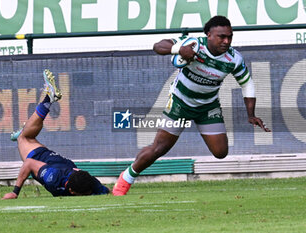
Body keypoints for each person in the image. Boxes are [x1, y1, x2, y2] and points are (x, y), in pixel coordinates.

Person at [112, 15, 270, 196]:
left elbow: (247, 83)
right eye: (221, 36)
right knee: (159, 148)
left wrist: (251, 114)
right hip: (181, 103)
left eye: (229, 37)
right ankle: (127, 178)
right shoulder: (194, 44)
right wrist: (178, 49)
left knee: (220, 152)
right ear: (209, 35)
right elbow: (158, 46)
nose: (226, 41)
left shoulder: (234, 59)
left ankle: (127, 176)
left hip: (207, 106)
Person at [2, 69, 110, 199]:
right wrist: (15, 192)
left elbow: (107, 191)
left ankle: (26, 127)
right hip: (40, 158)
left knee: (27, 135)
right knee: (23, 138)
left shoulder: (91, 184)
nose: (90, 194)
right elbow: (29, 163)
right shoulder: (53, 178)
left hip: (59, 162)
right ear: (71, 191)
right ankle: (48, 98)